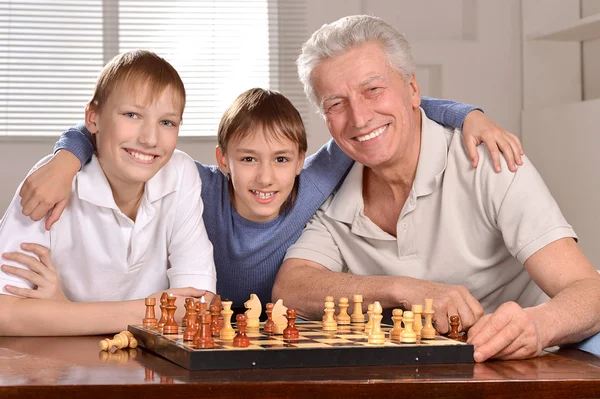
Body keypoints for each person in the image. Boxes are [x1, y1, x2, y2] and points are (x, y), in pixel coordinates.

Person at [271, 15, 600, 362]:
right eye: (335, 104)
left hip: (531, 366)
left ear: (413, 90)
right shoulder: (328, 188)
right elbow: (291, 288)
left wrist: (538, 325)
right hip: (422, 371)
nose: (359, 117)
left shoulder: (487, 159)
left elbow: (589, 290)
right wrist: (402, 289)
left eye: (373, 90)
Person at [14, 88, 521, 309]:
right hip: (199, 335)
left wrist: (468, 115)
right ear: (222, 159)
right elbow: (126, 142)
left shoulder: (313, 182)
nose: (266, 177)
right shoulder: (196, 185)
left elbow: (382, 118)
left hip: (274, 337)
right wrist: (66, 154)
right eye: (248, 158)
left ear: (301, 160)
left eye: (281, 159)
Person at [0, 50, 217, 336]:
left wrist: (62, 312)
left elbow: (199, 304)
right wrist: (150, 311)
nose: (150, 139)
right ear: (93, 118)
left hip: (147, 369)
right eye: (132, 114)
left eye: (167, 122)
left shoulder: (180, 171)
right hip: (62, 368)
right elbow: (5, 313)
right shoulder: (50, 181)